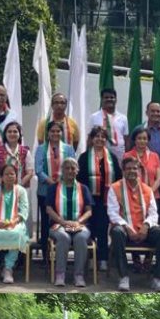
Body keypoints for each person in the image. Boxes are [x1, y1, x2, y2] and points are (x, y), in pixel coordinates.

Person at [108, 155, 160, 292]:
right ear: (123, 171)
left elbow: (154, 213)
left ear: (139, 171)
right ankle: (123, 276)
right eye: (128, 168)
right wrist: (127, 227)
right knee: (116, 233)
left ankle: (158, 278)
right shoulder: (115, 188)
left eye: (135, 168)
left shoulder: (147, 189)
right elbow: (112, 212)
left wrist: (146, 226)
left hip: (144, 229)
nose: (132, 171)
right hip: (124, 229)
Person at [46, 157, 93, 287]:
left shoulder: (83, 188)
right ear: (62, 170)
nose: (70, 171)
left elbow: (89, 211)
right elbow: (49, 209)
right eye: (67, 168)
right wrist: (62, 222)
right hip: (58, 224)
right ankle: (60, 274)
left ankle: (79, 275)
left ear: (77, 171)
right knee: (63, 237)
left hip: (80, 225)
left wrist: (78, 222)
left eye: (73, 168)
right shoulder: (53, 188)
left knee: (81, 237)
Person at [78, 125, 122, 268]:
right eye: (97, 136)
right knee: (89, 228)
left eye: (103, 136)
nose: (100, 139)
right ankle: (90, 258)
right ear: (92, 138)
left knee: (103, 229)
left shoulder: (112, 158)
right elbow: (79, 179)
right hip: (89, 200)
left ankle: (103, 258)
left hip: (106, 200)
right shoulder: (84, 157)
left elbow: (119, 178)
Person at [0, 159, 30, 284]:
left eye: (12, 174)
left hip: (14, 222)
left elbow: (24, 210)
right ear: (2, 176)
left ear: (16, 176)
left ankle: (8, 269)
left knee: (17, 233)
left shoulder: (21, 190)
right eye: (6, 174)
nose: (10, 176)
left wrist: (15, 221)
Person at [35, 120, 77, 258]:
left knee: (60, 219)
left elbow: (72, 167)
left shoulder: (69, 149)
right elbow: (38, 170)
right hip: (45, 191)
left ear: (62, 133)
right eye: (52, 131)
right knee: (46, 222)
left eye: (58, 131)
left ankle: (62, 251)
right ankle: (45, 255)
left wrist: (62, 181)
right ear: (47, 133)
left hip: (65, 190)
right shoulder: (41, 149)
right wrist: (51, 182)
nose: (55, 133)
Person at [89, 88, 128, 163]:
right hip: (98, 153)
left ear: (116, 100)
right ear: (102, 99)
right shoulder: (94, 117)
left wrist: (126, 155)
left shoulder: (123, 118)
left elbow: (126, 139)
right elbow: (90, 138)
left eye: (112, 97)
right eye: (106, 97)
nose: (109, 99)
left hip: (118, 154)